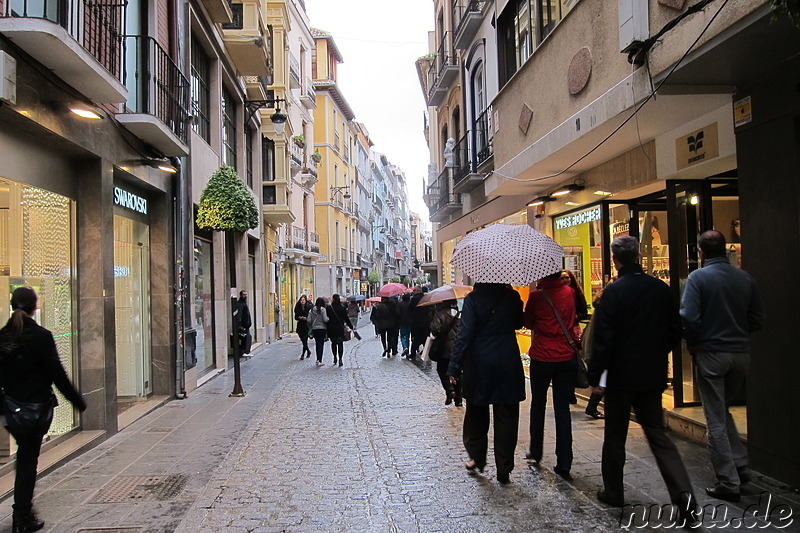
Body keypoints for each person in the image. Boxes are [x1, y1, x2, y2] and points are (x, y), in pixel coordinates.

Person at [588, 236, 699, 525]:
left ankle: (614, 491)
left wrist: (595, 376)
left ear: (615, 260)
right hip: (651, 374)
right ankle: (685, 498)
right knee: (658, 436)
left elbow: (604, 341)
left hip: (621, 376)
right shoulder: (658, 289)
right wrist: (656, 352)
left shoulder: (614, 293)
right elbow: (676, 329)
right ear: (638, 255)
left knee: (615, 435)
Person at [680, 230, 765, 503]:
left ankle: (728, 481)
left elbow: (689, 317)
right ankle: (739, 464)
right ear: (726, 249)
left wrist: (694, 343)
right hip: (740, 353)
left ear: (700, 252)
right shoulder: (744, 277)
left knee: (714, 417)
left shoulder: (698, 278)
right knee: (723, 409)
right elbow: (757, 319)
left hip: (711, 353)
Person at [0, 287, 87, 533]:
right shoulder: (40, 336)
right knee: (27, 462)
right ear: (34, 307)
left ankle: (23, 514)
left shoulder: (3, 337)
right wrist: (77, 401)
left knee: (24, 461)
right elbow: (56, 374)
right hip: (36, 410)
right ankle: (21, 517)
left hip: (12, 411)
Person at [446, 283, 525, 485]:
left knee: (476, 413)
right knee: (507, 416)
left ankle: (477, 458)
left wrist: (454, 365)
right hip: (507, 358)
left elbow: (464, 334)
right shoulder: (512, 297)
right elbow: (518, 323)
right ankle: (504, 468)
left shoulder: (473, 299)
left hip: (480, 361)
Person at [524, 271, 578, 481]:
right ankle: (565, 461)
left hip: (542, 356)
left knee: (538, 404)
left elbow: (528, 323)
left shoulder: (537, 296)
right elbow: (572, 318)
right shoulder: (570, 292)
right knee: (562, 409)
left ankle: (535, 451)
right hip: (566, 356)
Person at [561, 269, 588, 406]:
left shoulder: (576, 294)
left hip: (573, 329)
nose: (564, 280)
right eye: (562, 278)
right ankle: (569, 390)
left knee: (575, 358)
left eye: (567, 278)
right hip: (563, 331)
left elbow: (583, 311)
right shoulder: (557, 295)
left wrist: (575, 317)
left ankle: (572, 386)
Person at [429, 299, 462, 406]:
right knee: (457, 371)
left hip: (444, 347)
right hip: (457, 347)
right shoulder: (459, 314)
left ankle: (450, 390)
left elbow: (435, 329)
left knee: (442, 369)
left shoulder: (439, 314)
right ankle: (459, 400)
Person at [326, 294, 354, 367]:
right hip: (339, 327)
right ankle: (340, 358)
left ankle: (335, 357)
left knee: (333, 343)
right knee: (340, 344)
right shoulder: (342, 308)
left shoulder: (329, 308)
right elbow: (346, 318)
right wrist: (351, 326)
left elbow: (326, 318)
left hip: (331, 328)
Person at [409, 287, 432, 360]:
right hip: (425, 321)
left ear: (417, 291)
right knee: (425, 338)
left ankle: (413, 354)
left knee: (415, 339)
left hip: (416, 321)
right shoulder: (426, 298)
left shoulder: (414, 299)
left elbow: (410, 308)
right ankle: (427, 353)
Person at [307, 297, 329, 366]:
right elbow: (325, 319)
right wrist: (328, 319)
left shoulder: (311, 310)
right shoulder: (323, 310)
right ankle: (320, 359)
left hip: (314, 329)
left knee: (317, 344)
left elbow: (309, 320)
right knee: (321, 344)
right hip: (322, 329)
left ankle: (317, 359)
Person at [294, 295, 312, 360]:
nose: (302, 301)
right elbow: (295, 317)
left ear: (306, 300)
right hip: (300, 325)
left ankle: (303, 354)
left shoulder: (308, 307)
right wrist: (299, 317)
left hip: (306, 325)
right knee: (302, 340)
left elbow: (311, 316)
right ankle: (308, 351)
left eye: (303, 300)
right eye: (301, 300)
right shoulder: (297, 308)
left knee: (305, 339)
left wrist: (306, 318)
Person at [236, 290, 252, 357]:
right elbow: (239, 315)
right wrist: (240, 325)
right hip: (243, 326)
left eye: (246, 294)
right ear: (241, 295)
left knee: (247, 338)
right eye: (244, 295)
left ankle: (246, 351)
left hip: (246, 326)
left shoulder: (244, 303)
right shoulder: (240, 304)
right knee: (246, 338)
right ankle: (245, 352)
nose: (245, 296)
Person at [396, 293, 412, 357]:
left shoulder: (400, 304)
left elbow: (397, 313)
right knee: (408, 336)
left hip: (402, 322)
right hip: (409, 322)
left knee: (402, 335)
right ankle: (407, 348)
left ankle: (405, 347)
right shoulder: (410, 304)